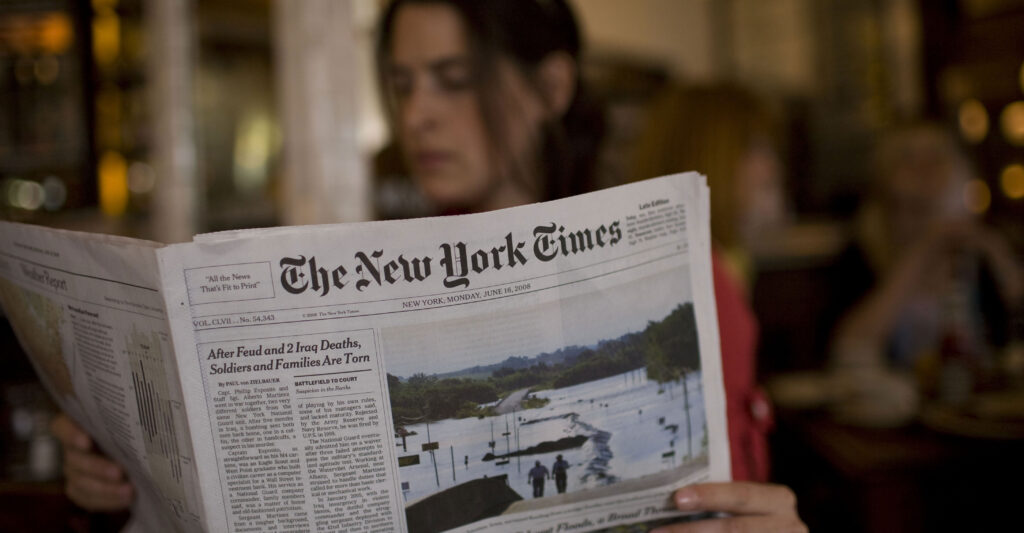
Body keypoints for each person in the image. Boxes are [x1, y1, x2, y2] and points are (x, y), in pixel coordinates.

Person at [53, 2, 805, 531]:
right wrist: (122, 480)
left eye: (455, 78)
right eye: (404, 83)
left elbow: (724, 497)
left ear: (552, 86)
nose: (418, 115)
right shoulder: (387, 263)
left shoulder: (684, 272)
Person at [632, 83, 785, 483]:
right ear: (708, 153)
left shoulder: (718, 260)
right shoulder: (700, 272)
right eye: (756, 147)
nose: (771, 167)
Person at [826, 122, 1023, 422]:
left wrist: (996, 251)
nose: (924, 168)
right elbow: (848, 346)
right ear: (884, 173)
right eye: (908, 157)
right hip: (891, 424)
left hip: (979, 415)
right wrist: (926, 247)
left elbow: (1015, 318)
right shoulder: (858, 251)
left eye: (936, 156)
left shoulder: (979, 245)